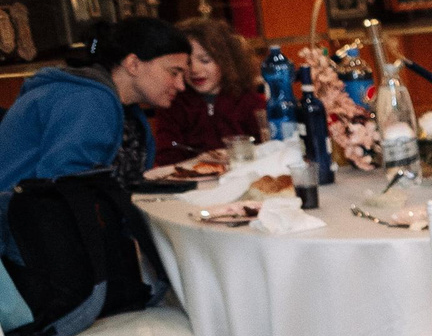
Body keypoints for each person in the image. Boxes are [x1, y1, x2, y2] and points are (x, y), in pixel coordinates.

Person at [0, 18, 191, 199]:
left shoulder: (126, 110)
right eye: (174, 72)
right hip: (21, 227)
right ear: (133, 64)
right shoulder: (87, 101)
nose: (181, 85)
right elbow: (69, 189)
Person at [153, 17, 270, 164]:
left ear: (226, 61)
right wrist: (197, 162)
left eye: (205, 60)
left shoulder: (250, 101)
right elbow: (167, 156)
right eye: (187, 63)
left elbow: (268, 148)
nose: (195, 69)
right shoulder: (173, 104)